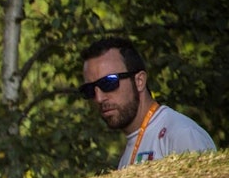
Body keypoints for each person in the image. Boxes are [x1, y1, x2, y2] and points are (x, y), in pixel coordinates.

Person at [79, 37, 216, 169]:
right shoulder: (127, 156)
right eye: (89, 89)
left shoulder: (181, 134)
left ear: (139, 81)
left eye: (108, 83)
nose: (99, 98)